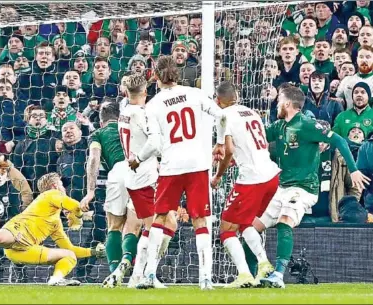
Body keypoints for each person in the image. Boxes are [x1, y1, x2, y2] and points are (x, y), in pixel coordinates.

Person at [254, 86, 370, 288]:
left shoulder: (307, 125)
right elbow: (257, 138)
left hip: (303, 188)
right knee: (252, 227)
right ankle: (252, 274)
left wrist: (353, 170)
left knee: (285, 221)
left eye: (280, 100)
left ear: (288, 103)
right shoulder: (279, 126)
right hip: (281, 188)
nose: (277, 104)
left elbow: (339, 140)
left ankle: (278, 276)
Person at [130, 56, 226, 290]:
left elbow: (153, 142)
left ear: (156, 76)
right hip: (197, 164)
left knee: (160, 218)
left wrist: (138, 159)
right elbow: (222, 116)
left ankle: (150, 274)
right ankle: (205, 278)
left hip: (172, 166)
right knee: (200, 219)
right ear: (178, 74)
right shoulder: (194, 94)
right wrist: (221, 143)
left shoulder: (153, 105)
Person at [210, 81, 279, 288]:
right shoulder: (252, 113)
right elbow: (255, 145)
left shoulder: (223, 117)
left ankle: (244, 275)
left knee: (226, 229)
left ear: (217, 101)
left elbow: (228, 150)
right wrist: (236, 159)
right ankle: (264, 263)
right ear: (237, 96)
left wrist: (218, 176)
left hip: (252, 180)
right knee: (245, 222)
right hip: (271, 176)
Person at [113, 74, 177, 288]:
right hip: (144, 178)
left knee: (162, 225)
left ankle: (137, 275)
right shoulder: (141, 114)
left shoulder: (124, 111)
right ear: (145, 93)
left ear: (125, 92)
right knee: (158, 226)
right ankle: (148, 275)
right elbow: (156, 144)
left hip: (137, 178)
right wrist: (141, 158)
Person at [79, 102, 142, 288]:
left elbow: (93, 159)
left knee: (114, 227)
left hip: (118, 172)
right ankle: (129, 262)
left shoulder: (97, 134)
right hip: (141, 171)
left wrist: (90, 191)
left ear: (101, 119)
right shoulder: (130, 127)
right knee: (134, 227)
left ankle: (115, 271)